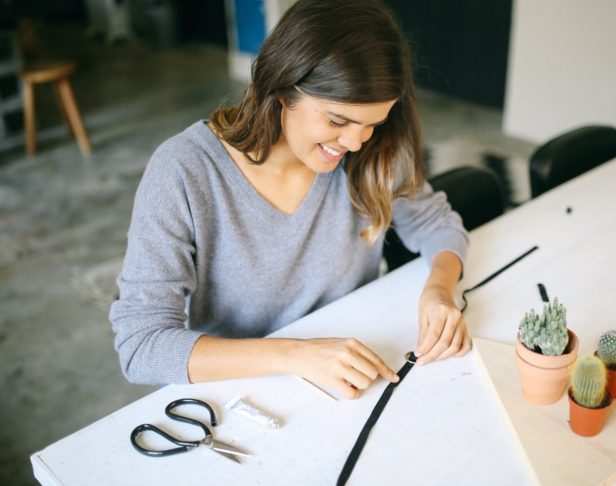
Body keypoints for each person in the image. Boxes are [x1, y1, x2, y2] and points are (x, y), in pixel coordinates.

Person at [109, 0, 470, 399]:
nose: (353, 142)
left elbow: (435, 223)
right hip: (237, 390)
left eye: (372, 123)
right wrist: (296, 356)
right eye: (337, 121)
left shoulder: (376, 149)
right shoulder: (184, 171)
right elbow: (141, 345)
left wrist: (439, 288)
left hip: (350, 376)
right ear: (282, 89)